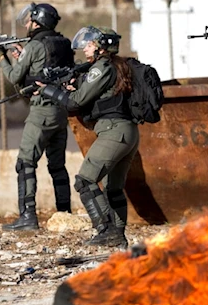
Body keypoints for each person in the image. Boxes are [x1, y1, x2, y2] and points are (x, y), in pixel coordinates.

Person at [38, 26, 138, 248]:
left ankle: (106, 230)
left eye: (90, 44)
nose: (85, 48)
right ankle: (118, 238)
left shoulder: (101, 68)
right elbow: (94, 97)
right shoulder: (118, 66)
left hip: (113, 132)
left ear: (101, 46)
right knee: (113, 187)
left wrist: (49, 91)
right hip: (126, 132)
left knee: (85, 180)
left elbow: (75, 102)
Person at [0, 3, 75, 231]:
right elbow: (43, 71)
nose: (26, 24)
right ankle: (65, 213)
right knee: (57, 165)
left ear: (38, 22)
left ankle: (27, 217)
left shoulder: (35, 45)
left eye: (29, 21)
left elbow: (16, 77)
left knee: (25, 163)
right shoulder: (63, 43)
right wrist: (21, 56)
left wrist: (1, 58)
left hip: (41, 112)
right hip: (60, 110)